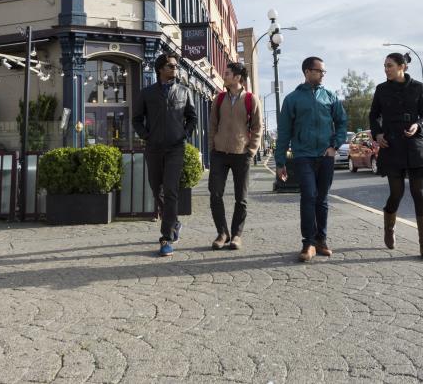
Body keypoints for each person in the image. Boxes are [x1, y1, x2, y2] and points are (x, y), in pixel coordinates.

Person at [274, 56, 348, 262]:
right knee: (309, 196)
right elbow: (284, 132)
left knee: (322, 199)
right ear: (307, 72)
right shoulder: (292, 99)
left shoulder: (330, 97)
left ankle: (321, 240)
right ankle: (308, 243)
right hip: (303, 155)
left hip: (325, 156)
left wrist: (334, 146)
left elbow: (342, 123)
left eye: (324, 71)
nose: (323, 74)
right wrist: (280, 162)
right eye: (319, 71)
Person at [369, 52, 423, 261]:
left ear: (402, 67)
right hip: (391, 145)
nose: (386, 69)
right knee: (396, 193)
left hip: (414, 144)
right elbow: (373, 115)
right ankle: (389, 228)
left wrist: (420, 125)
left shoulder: (418, 88)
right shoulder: (381, 89)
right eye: (385, 66)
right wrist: (378, 134)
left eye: (389, 65)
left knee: (418, 192)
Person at [132, 52, 198, 257]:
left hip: (175, 148)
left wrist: (184, 135)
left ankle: (166, 237)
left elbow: (192, 118)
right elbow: (136, 119)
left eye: (176, 66)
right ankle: (174, 222)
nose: (175, 69)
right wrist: (146, 136)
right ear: (160, 69)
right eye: (171, 66)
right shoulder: (147, 93)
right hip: (154, 148)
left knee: (171, 190)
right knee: (156, 188)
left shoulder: (185, 92)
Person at [207, 61, 263, 251]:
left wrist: (252, 150)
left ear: (238, 77)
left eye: (228, 73)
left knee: (241, 198)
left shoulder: (251, 99)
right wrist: (212, 147)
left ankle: (237, 235)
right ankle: (222, 233)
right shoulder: (219, 99)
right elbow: (212, 124)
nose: (225, 75)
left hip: (241, 154)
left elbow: (257, 126)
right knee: (215, 194)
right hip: (219, 153)